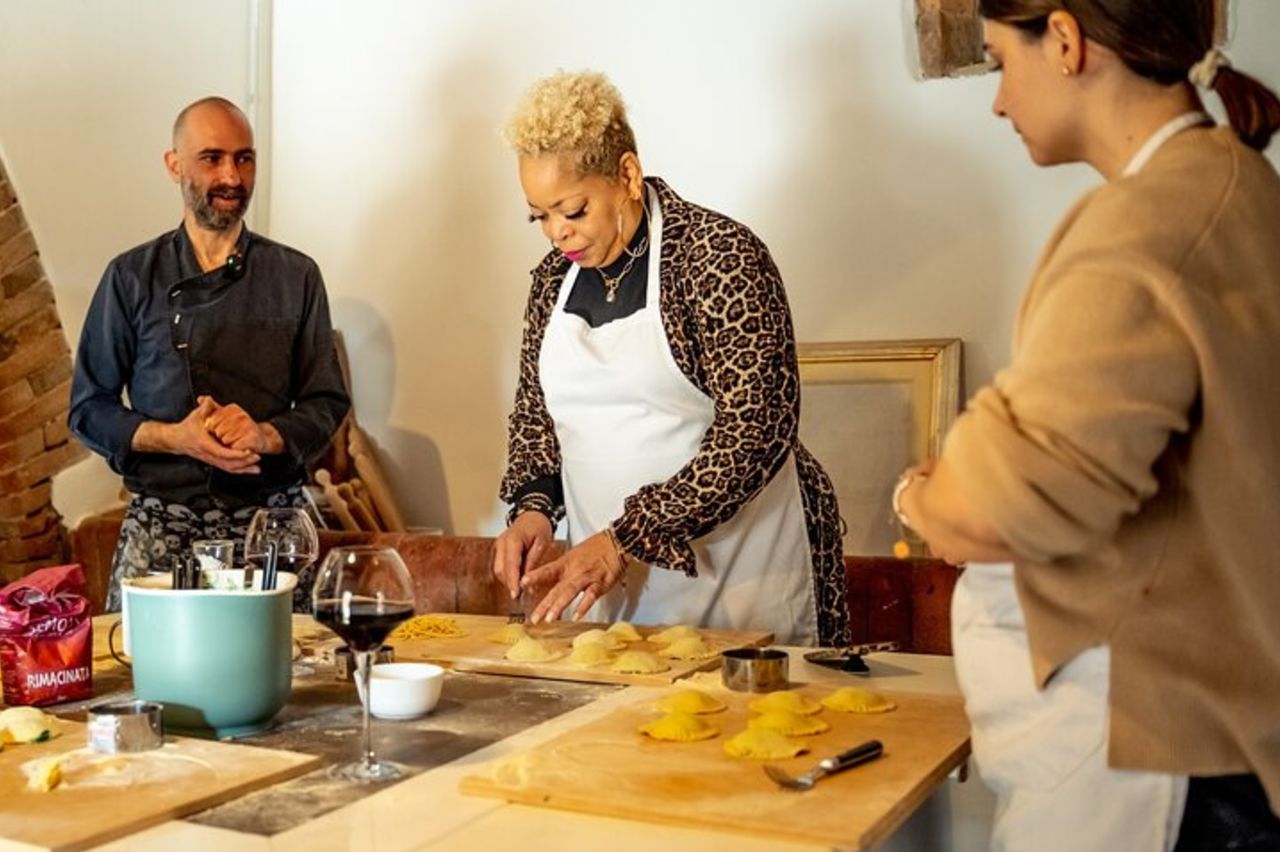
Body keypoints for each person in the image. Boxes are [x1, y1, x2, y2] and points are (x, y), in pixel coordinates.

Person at [892, 2, 1280, 849]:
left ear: (1065, 41)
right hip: (1209, 743)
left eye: (999, 62)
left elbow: (991, 505)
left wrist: (925, 495)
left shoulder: (1150, 222)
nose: (997, 101)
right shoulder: (1234, 184)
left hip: (1154, 754)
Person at [491, 71, 847, 647]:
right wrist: (533, 509)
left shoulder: (717, 258)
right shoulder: (550, 285)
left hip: (742, 578)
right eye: (540, 215)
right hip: (611, 585)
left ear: (626, 175)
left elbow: (755, 433)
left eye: (574, 210)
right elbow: (537, 421)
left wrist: (627, 536)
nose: (558, 233)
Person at [69, 97, 350, 611]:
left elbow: (327, 400)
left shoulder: (295, 276)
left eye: (244, 159)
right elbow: (88, 410)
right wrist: (175, 437)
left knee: (293, 684)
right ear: (174, 164)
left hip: (272, 534)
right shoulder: (131, 276)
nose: (232, 176)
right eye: (212, 158)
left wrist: (266, 435)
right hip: (160, 528)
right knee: (141, 683)